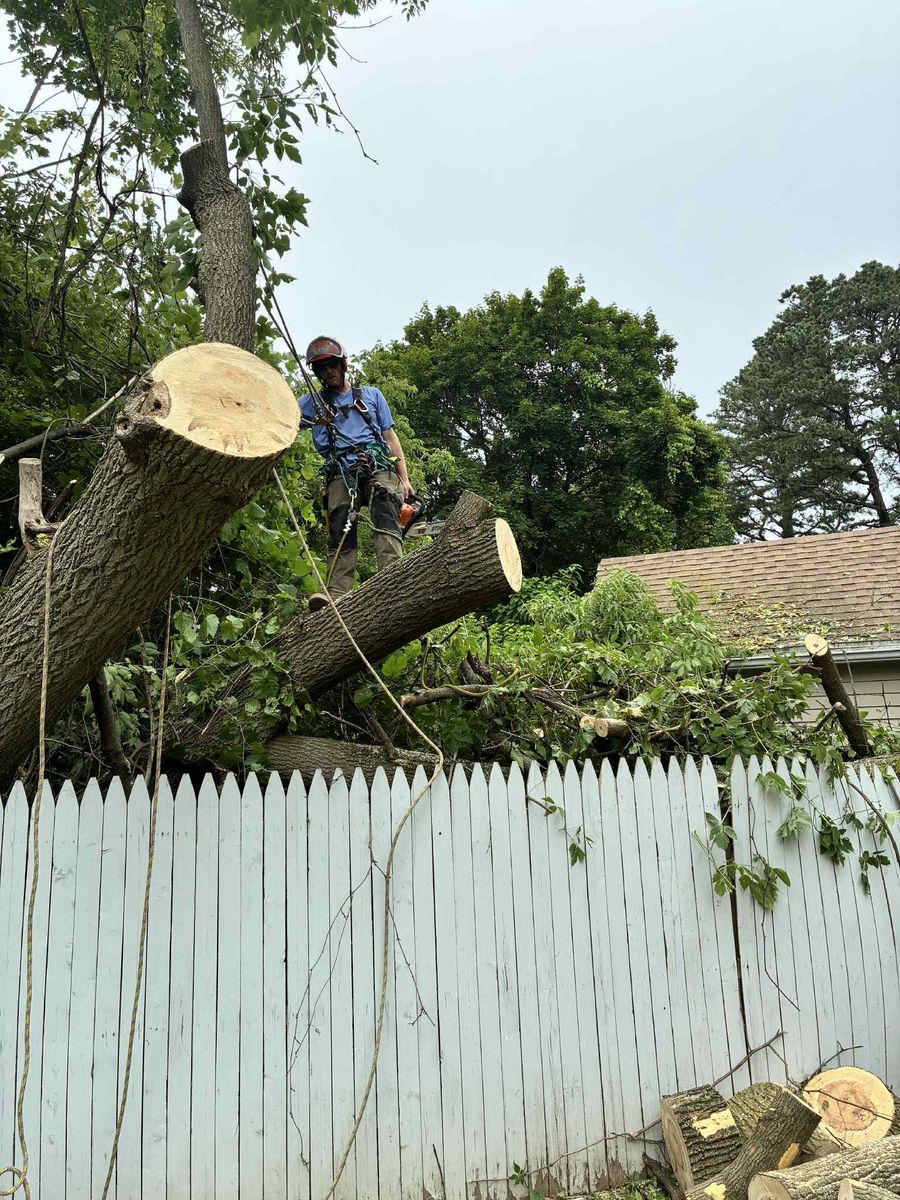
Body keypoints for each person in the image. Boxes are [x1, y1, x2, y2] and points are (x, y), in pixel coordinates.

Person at [299, 335, 413, 602]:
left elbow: (389, 437)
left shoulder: (371, 395)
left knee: (385, 515)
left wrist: (404, 479)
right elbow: (283, 415)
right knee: (340, 527)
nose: (328, 371)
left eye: (332, 364)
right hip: (341, 471)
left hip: (377, 465)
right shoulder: (312, 403)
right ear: (316, 373)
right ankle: (337, 595)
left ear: (343, 364)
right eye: (321, 368)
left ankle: (394, 581)